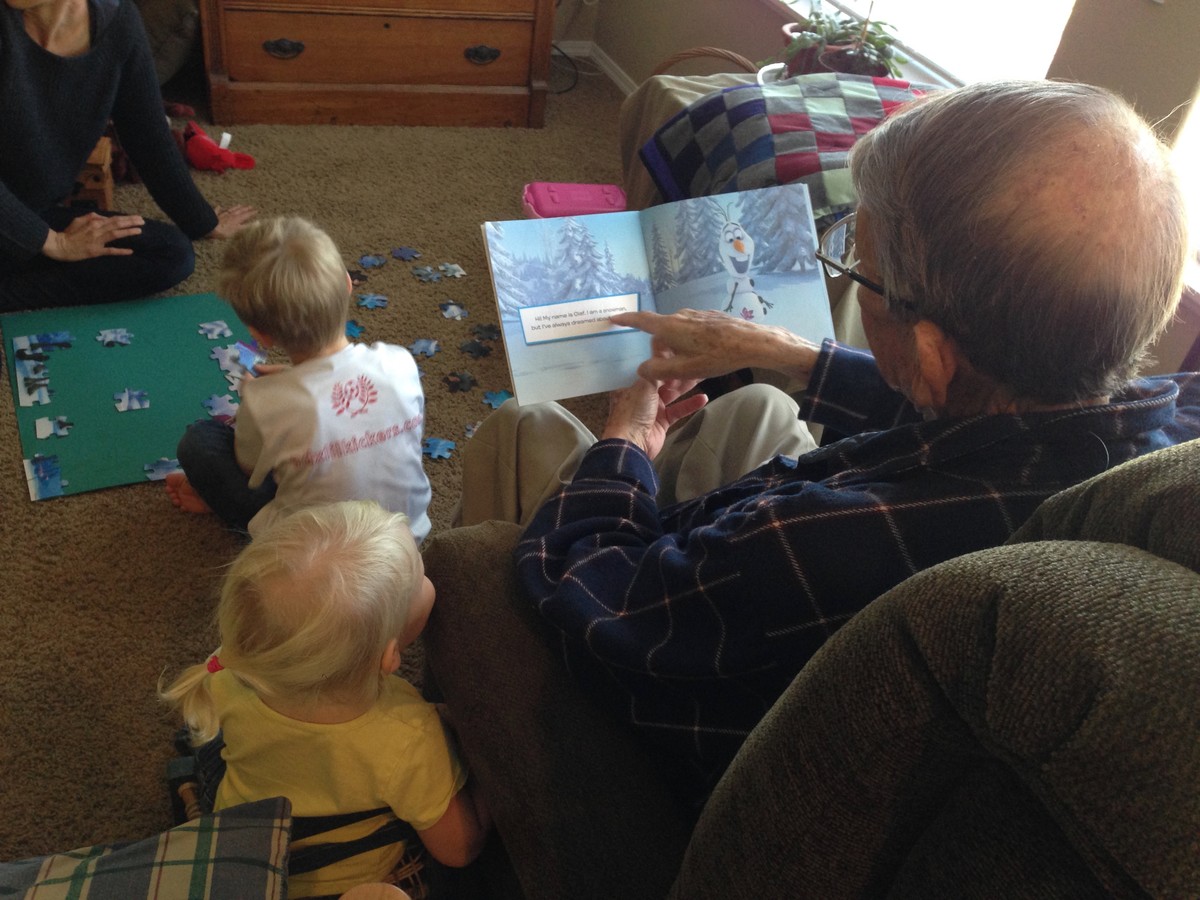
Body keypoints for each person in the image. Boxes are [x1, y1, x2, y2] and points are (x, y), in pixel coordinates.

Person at [455, 79, 1200, 805]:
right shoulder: (1150, 440)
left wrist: (622, 440)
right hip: (751, 612)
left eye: (859, 273)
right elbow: (981, 426)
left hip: (660, 711)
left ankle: (446, 718)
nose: (850, 276)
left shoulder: (811, 541)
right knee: (754, 403)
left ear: (934, 355)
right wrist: (792, 355)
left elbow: (590, 593)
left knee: (527, 429)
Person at [159, 501, 491, 899]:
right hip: (338, 882)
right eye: (419, 576)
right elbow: (459, 849)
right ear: (389, 656)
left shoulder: (232, 674)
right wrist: (491, 776)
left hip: (243, 844)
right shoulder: (408, 738)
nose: (428, 576)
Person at [165, 215, 432, 541]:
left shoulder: (264, 401)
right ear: (348, 284)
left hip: (308, 555)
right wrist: (292, 383)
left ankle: (225, 510)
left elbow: (248, 469)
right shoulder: (399, 362)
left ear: (259, 335)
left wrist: (259, 398)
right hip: (404, 539)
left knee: (199, 443)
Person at [0, 0, 255, 312]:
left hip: (34, 213)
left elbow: (147, 135)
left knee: (171, 253)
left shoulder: (118, 23)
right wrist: (52, 242)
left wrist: (202, 221)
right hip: (25, 221)